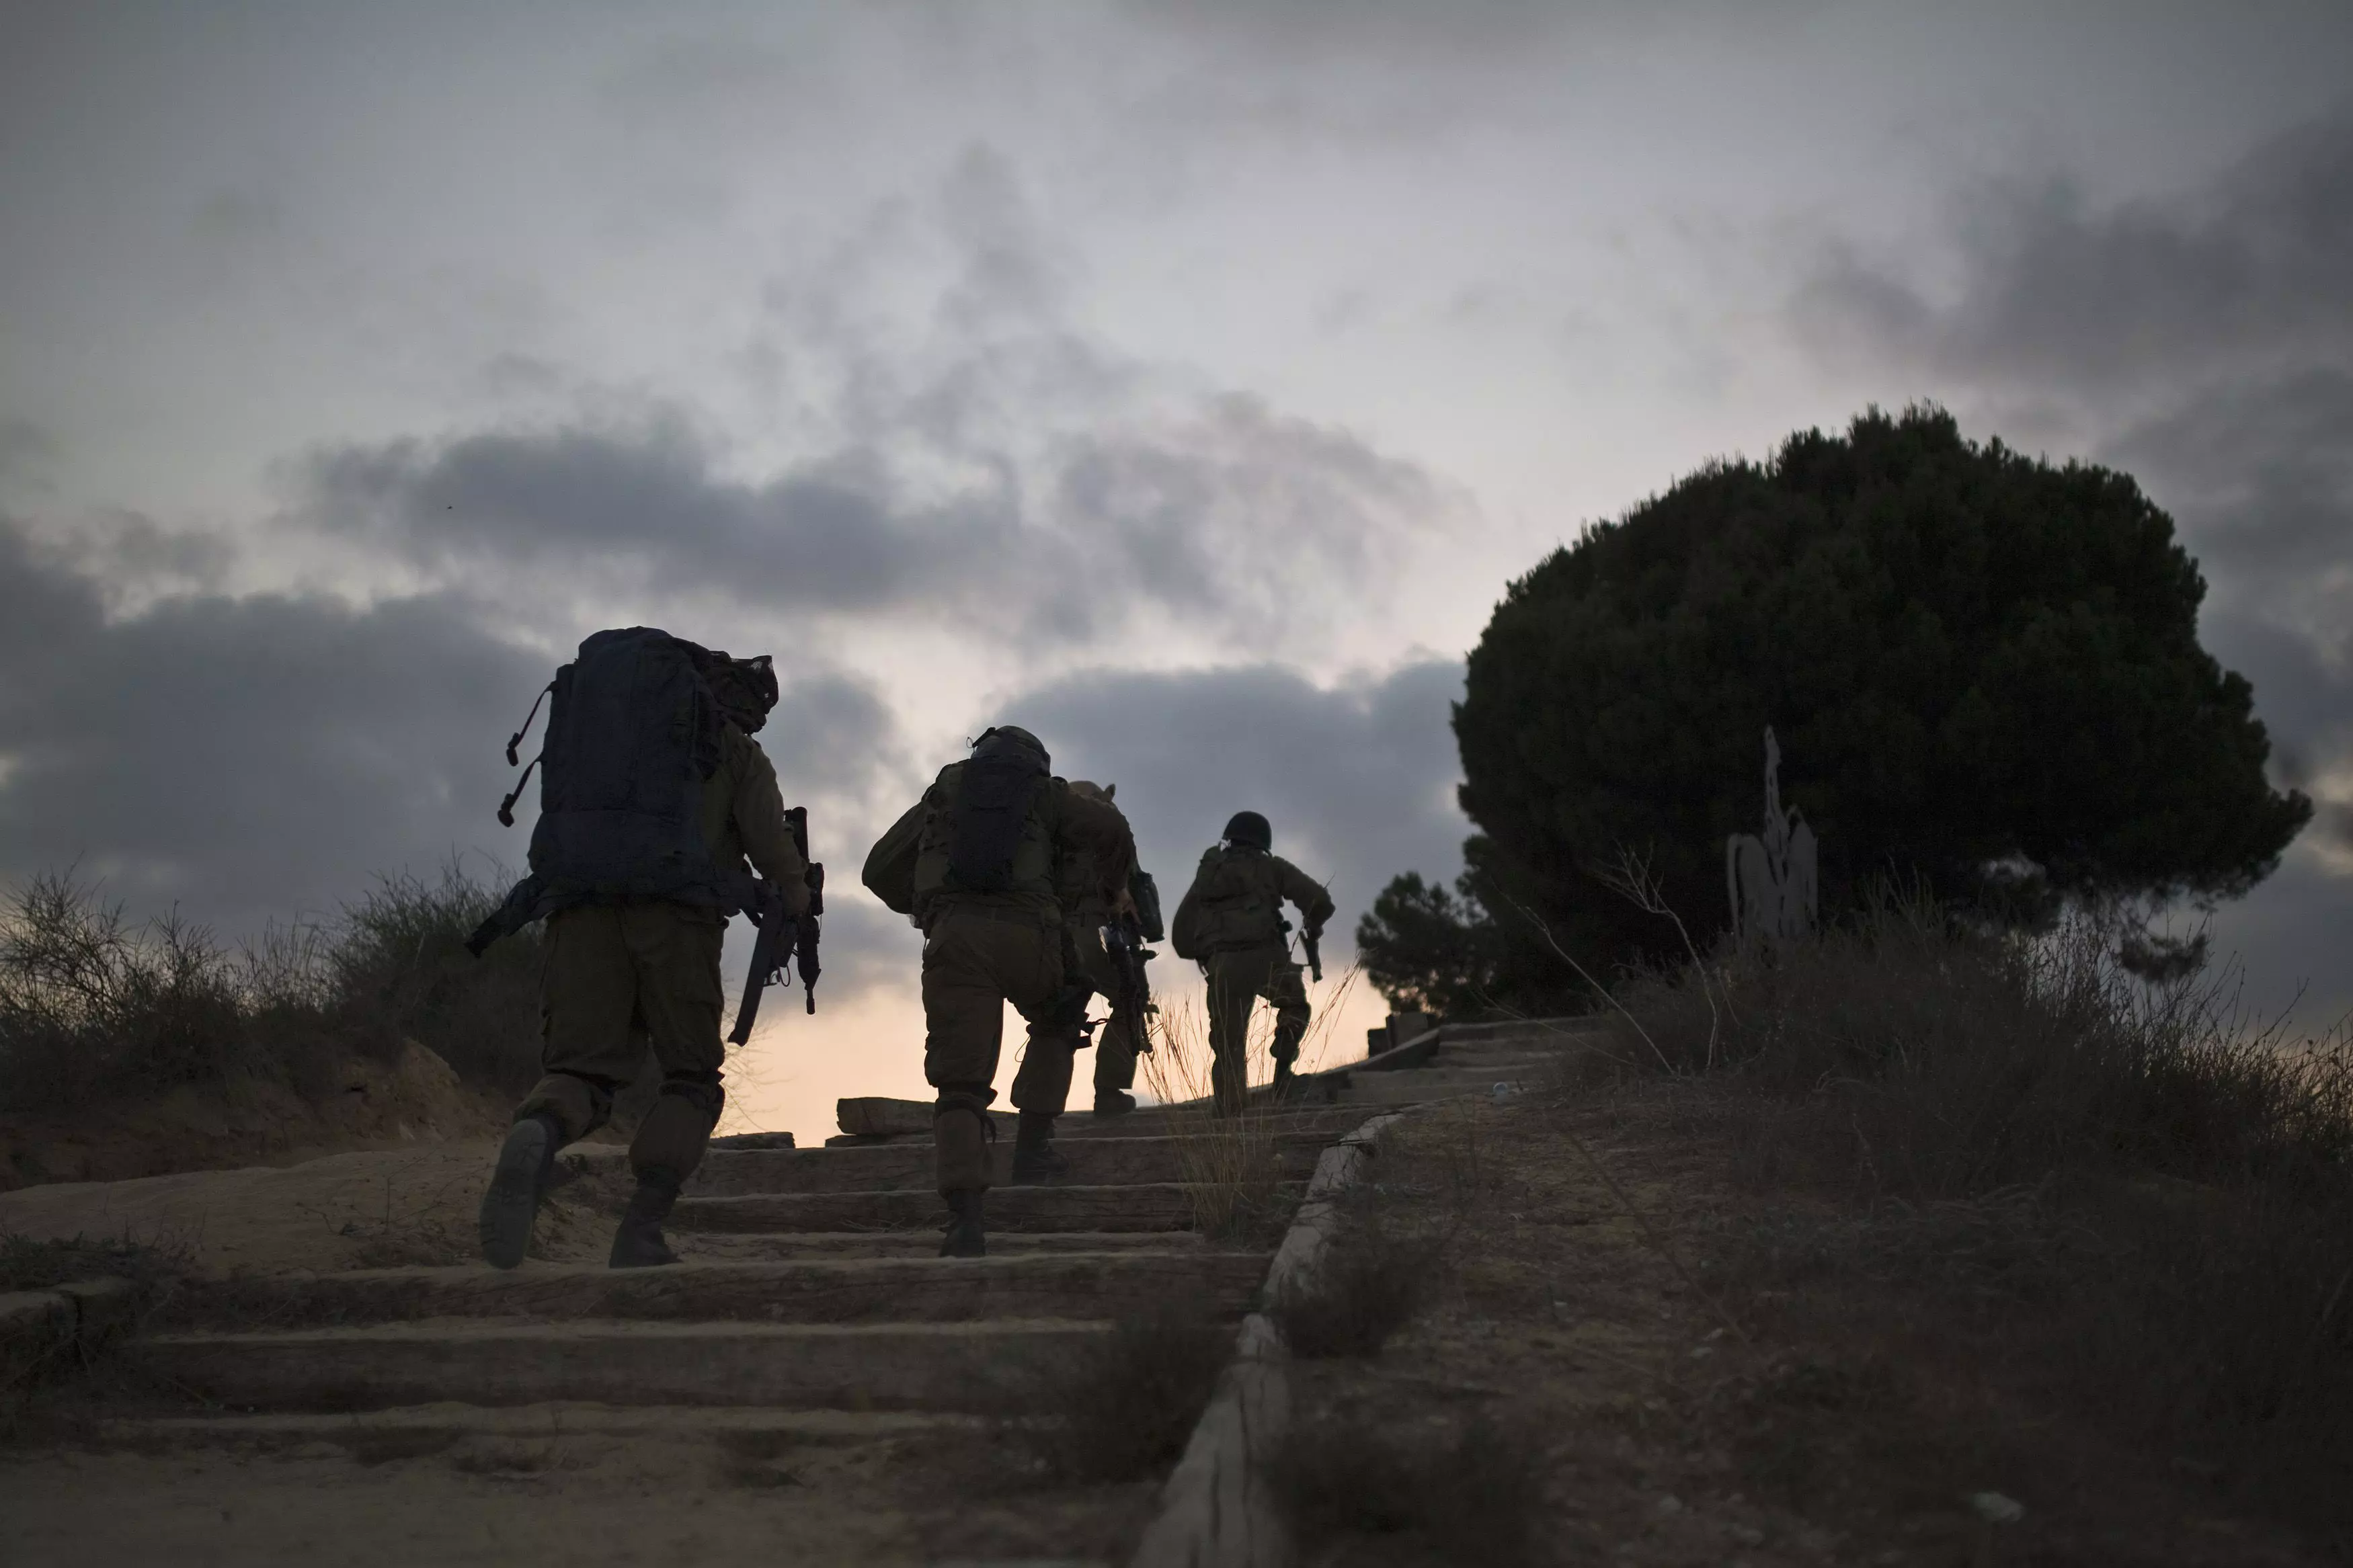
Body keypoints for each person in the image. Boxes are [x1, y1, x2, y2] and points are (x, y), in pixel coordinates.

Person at [477, 644, 809, 1271]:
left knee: (582, 1069)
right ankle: (641, 1229)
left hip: (580, 913)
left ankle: (541, 1130)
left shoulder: (604, 736)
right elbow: (772, 848)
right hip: (676, 925)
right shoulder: (735, 751)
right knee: (690, 1078)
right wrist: (798, 893)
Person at [861, 727, 1131, 1256]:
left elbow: (877, 870)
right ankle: (1032, 1151)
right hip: (1031, 938)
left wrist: (926, 906)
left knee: (959, 1082)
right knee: (1059, 1014)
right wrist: (1111, 890)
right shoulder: (1048, 794)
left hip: (954, 939)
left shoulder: (944, 793)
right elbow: (1112, 828)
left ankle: (965, 1221)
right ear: (1037, 763)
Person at [1170, 811, 1334, 1115]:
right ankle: (1283, 1063)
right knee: (1295, 1006)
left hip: (1223, 965)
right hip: (1266, 957)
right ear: (1263, 841)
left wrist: (1207, 955)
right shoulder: (1271, 867)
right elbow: (1320, 900)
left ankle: (1230, 1112)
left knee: (1228, 1042)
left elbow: (1181, 933)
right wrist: (1314, 923)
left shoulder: (1208, 874)